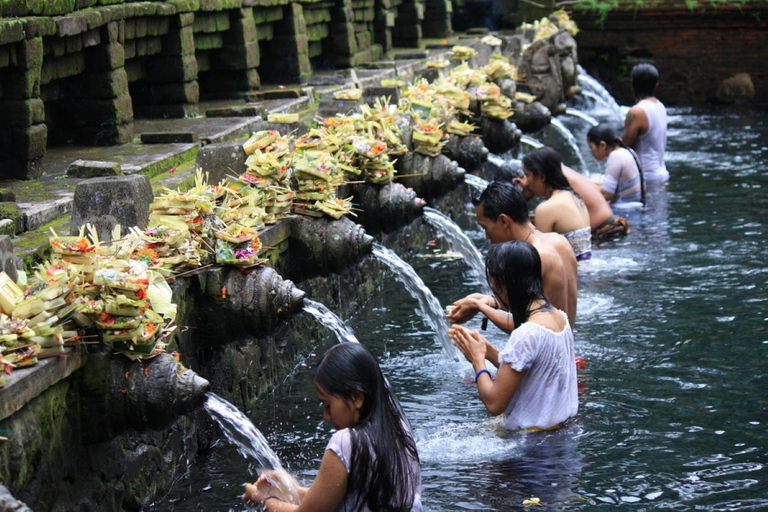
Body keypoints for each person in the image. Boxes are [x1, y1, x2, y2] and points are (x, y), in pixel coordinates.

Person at [241, 343, 422, 512]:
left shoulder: (346, 442)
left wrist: (261, 499)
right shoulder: (399, 428)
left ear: (357, 398)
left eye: (327, 405)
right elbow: (342, 500)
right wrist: (291, 490)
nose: (326, 416)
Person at [449, 241, 578, 431]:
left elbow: (494, 403)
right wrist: (488, 350)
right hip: (560, 434)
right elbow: (530, 371)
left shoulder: (527, 334)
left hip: (532, 449)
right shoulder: (559, 317)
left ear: (502, 286)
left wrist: (477, 360)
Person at [447, 181, 577, 330]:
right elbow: (542, 306)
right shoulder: (559, 241)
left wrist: (481, 307)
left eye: (486, 228)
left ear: (503, 221)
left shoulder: (537, 257)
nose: (487, 237)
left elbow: (531, 331)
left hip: (551, 351)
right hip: (568, 348)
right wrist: (487, 301)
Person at [519, 147, 592, 261]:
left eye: (527, 175)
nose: (526, 182)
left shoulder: (546, 209)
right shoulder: (576, 197)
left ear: (541, 177)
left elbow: (539, 256)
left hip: (571, 274)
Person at [623, 62, 668, 183]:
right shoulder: (660, 106)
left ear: (632, 85)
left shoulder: (637, 112)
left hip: (644, 178)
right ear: (656, 85)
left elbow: (624, 147)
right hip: (661, 173)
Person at [561, 165, 630, 241]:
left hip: (604, 232)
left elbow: (607, 193)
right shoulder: (567, 172)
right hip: (614, 224)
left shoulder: (559, 177)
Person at [587, 123, 645, 206]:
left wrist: (579, 188)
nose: (591, 152)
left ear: (602, 145)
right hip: (634, 207)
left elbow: (606, 194)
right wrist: (584, 181)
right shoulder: (627, 151)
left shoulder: (616, 156)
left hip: (624, 211)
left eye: (591, 147)